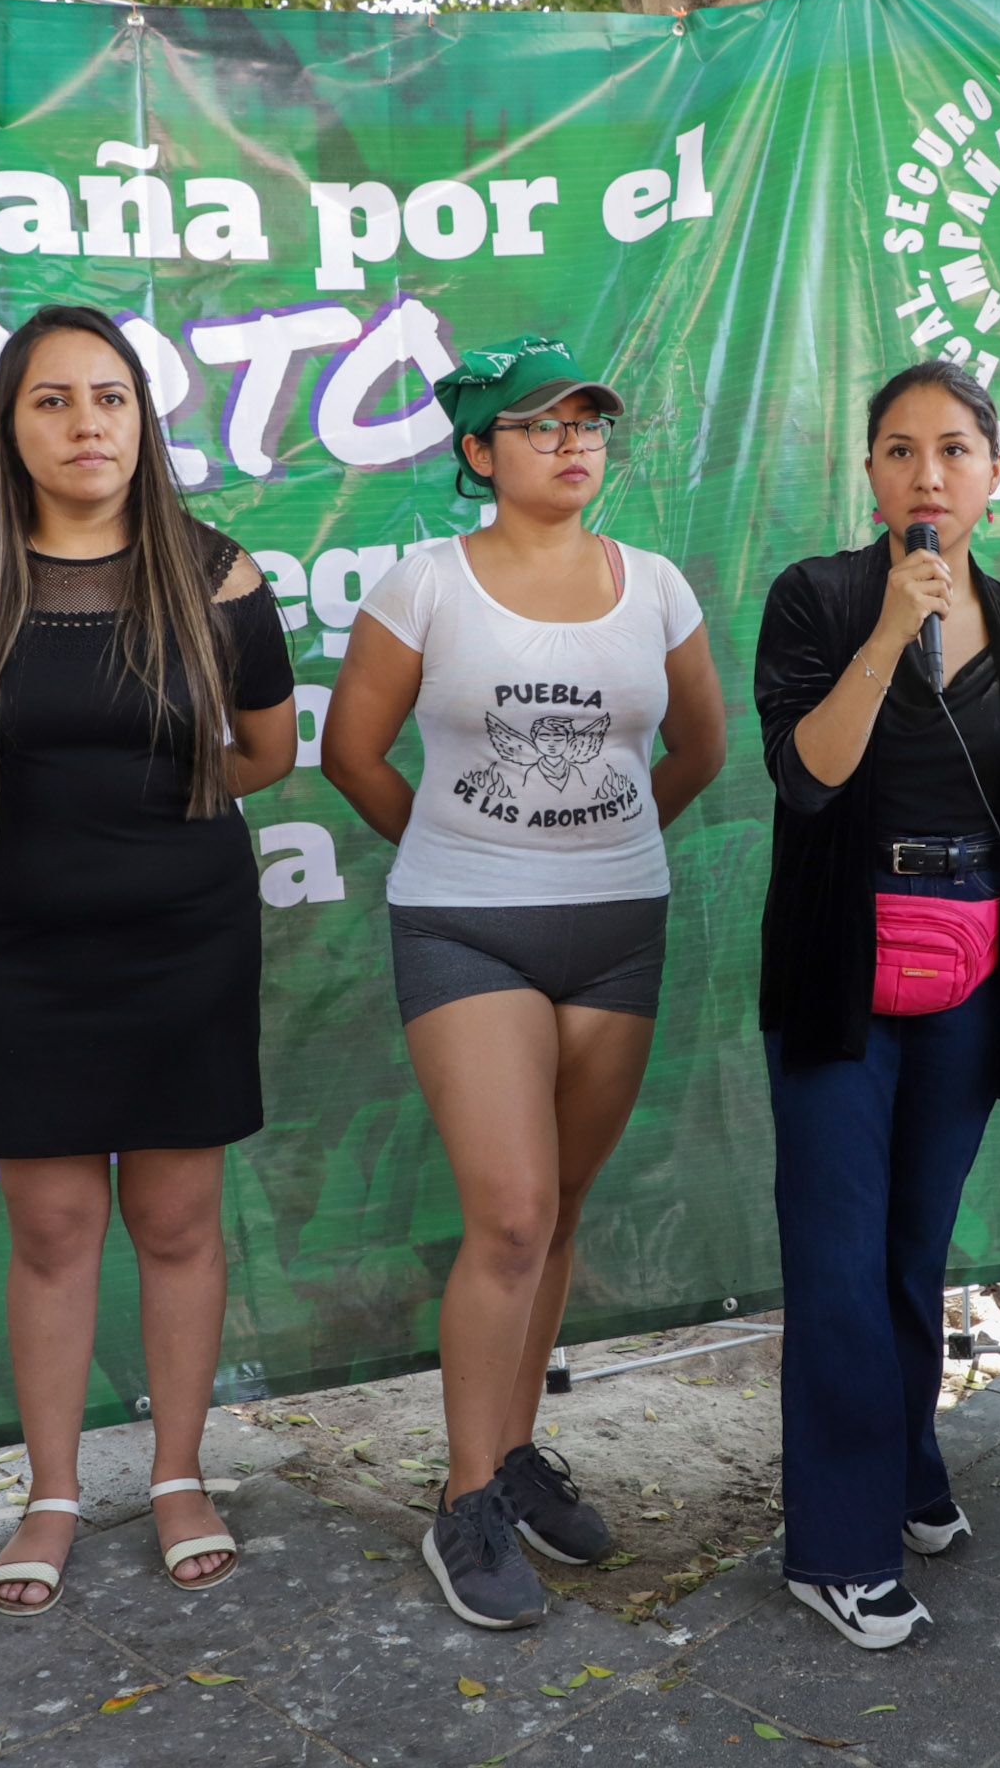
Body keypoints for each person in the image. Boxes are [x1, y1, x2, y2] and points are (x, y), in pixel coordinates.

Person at [321, 336, 726, 1631]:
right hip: (465, 932)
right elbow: (350, 752)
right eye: (540, 424)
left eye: (589, 420)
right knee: (507, 1214)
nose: (571, 442)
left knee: (558, 1214)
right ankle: (465, 1499)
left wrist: (600, 847)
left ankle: (511, 1454)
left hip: (616, 928)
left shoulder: (654, 586)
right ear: (478, 452)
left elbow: (703, 748)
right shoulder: (425, 583)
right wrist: (460, 853)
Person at [0, 306, 297, 1617]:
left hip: (188, 941)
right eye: (54, 400)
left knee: (177, 1224)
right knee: (53, 1229)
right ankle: (52, 1493)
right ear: (9, 427)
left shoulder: (220, 575)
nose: (87, 424)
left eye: (111, 398)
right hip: (26, 949)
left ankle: (181, 1473)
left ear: (145, 419)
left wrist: (146, 821)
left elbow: (269, 753)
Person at [753, 359, 1000, 1649]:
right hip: (839, 966)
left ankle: (905, 1464)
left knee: (915, 1250)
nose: (929, 473)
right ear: (870, 472)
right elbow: (809, 780)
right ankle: (836, 1546)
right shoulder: (817, 596)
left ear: (995, 472)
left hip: (968, 965)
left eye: (957, 449)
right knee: (839, 1259)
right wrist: (880, 637)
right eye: (902, 449)